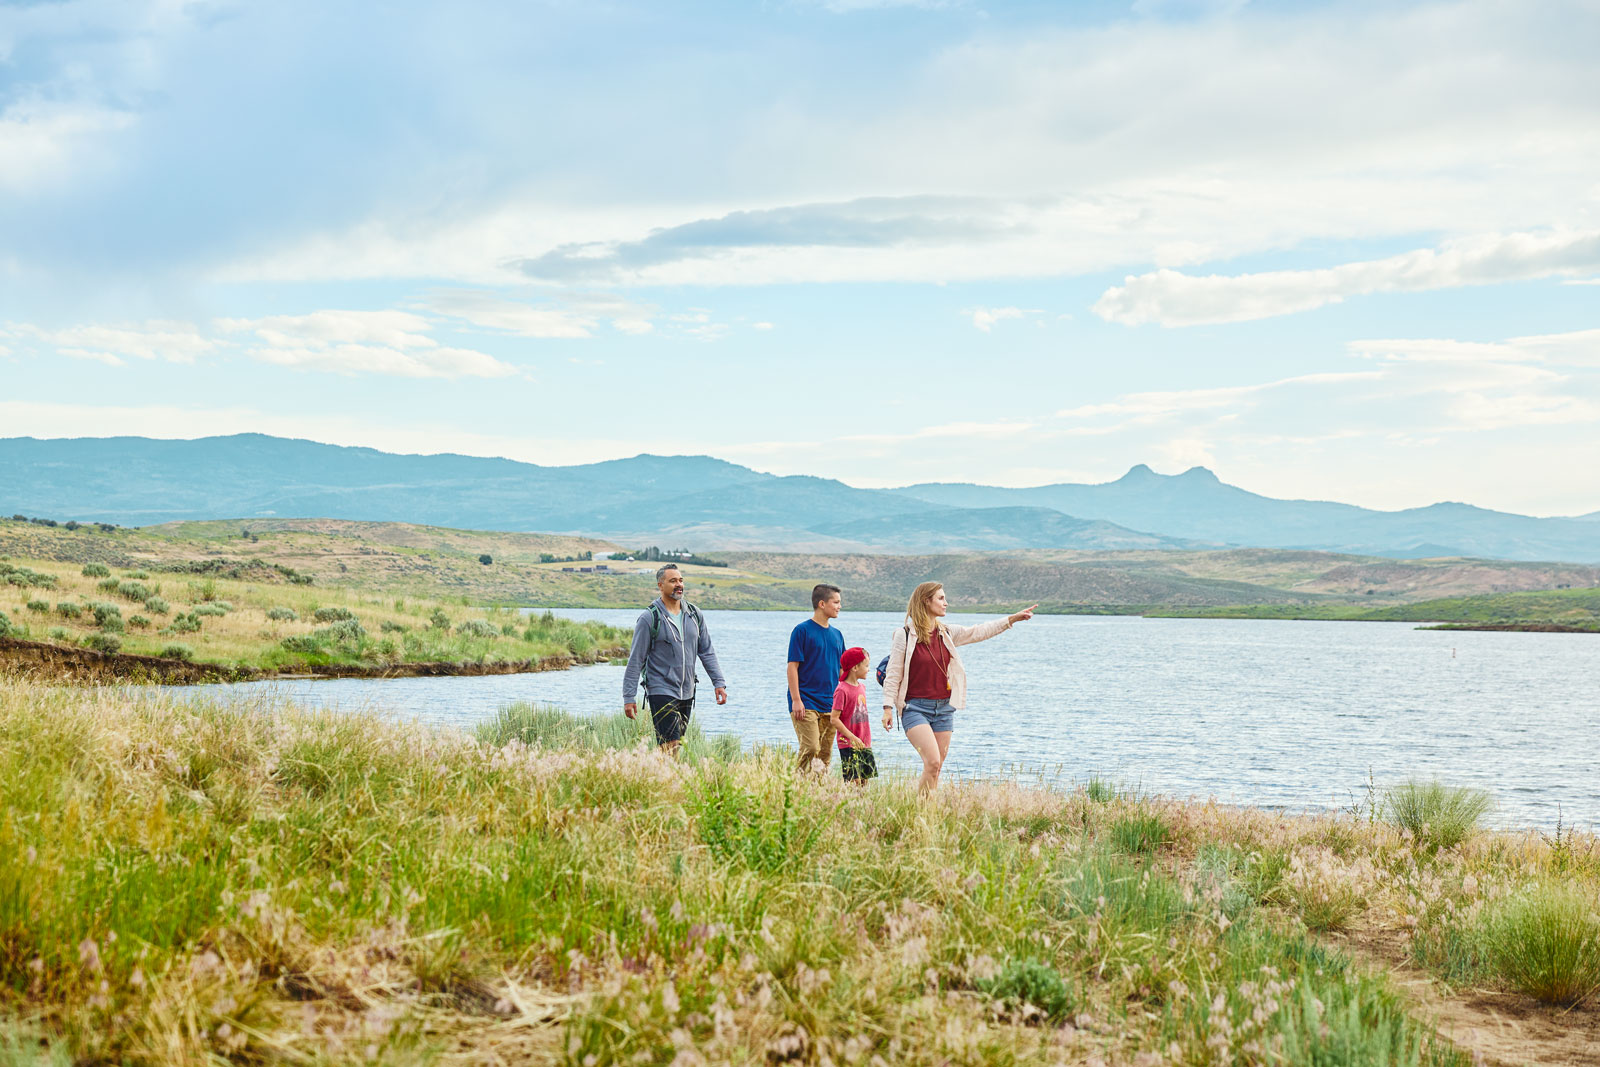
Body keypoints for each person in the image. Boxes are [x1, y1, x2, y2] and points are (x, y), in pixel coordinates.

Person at [881, 582, 1035, 794]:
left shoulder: (947, 632)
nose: (946, 603)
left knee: (936, 767)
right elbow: (894, 673)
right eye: (941, 598)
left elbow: (979, 632)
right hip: (915, 708)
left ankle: (927, 812)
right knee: (932, 762)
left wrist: (1011, 619)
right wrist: (887, 708)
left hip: (944, 709)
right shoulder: (905, 634)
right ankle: (920, 811)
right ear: (926, 601)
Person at [622, 564, 727, 756]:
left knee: (673, 746)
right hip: (660, 688)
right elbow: (636, 660)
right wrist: (629, 697)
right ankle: (669, 781)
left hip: (687, 690)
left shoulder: (694, 615)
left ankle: (660, 779)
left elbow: (707, 651)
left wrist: (718, 682)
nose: (679, 585)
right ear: (660, 585)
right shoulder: (649, 618)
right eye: (673, 581)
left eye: (680, 580)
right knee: (671, 744)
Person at [787, 583, 845, 773]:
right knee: (811, 747)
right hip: (806, 701)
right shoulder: (802, 631)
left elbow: (842, 670)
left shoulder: (837, 635)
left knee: (825, 755)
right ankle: (797, 787)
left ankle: (817, 794)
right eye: (836, 602)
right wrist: (796, 700)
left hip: (830, 704)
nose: (839, 606)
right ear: (822, 603)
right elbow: (792, 667)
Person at [833, 646, 875, 786]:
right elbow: (834, 719)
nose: (869, 669)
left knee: (864, 782)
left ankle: (862, 807)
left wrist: (863, 739)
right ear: (855, 667)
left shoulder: (862, 687)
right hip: (848, 743)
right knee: (853, 782)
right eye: (866, 665)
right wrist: (851, 737)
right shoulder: (841, 690)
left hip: (864, 742)